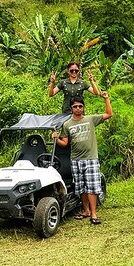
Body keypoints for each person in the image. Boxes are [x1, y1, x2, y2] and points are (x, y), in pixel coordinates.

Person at [52, 92, 113, 225]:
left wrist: (106, 99)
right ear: (71, 109)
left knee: (92, 187)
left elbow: (109, 114)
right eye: (75, 106)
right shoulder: (67, 125)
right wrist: (56, 139)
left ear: (83, 107)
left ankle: (94, 214)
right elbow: (65, 143)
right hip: (75, 160)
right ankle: (86, 211)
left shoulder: (90, 119)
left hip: (91, 158)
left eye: (80, 106)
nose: (78, 108)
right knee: (81, 187)